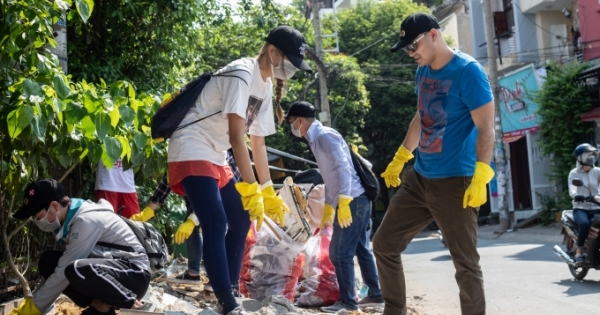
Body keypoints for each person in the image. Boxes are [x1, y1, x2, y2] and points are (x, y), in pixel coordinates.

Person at [166, 26, 312, 315]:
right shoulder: (242, 73)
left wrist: (267, 191)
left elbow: (257, 143)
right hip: (192, 144)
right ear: (272, 52)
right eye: (289, 61)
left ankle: (229, 286)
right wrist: (250, 188)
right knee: (216, 223)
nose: (291, 69)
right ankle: (227, 301)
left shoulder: (266, 86)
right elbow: (237, 138)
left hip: (216, 154)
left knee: (241, 216)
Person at [372, 12, 495, 315]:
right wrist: (402, 157)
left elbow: (486, 128)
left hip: (456, 181)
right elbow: (421, 116)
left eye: (413, 46)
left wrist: (481, 175)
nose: (411, 53)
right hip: (420, 177)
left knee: (465, 264)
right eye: (406, 50)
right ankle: (394, 310)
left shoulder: (468, 72)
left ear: (433, 34)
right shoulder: (423, 72)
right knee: (384, 245)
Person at [284, 101, 384, 313]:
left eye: (292, 122)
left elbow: (343, 168)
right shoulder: (316, 140)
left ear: (300, 121)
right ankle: (375, 294)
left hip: (353, 200)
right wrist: (330, 207)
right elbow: (330, 178)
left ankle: (348, 302)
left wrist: (345, 201)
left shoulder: (325, 136)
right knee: (360, 248)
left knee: (339, 253)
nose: (293, 127)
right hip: (353, 200)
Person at [10, 179, 151, 315]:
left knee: (75, 268)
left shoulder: (85, 221)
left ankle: (134, 305)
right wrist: (32, 302)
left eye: (36, 215)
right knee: (48, 262)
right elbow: (55, 272)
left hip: (135, 275)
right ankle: (100, 307)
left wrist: (31, 309)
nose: (35, 220)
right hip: (110, 272)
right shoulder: (67, 224)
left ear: (54, 206)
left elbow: (62, 272)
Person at [131, 150, 243, 295]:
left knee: (217, 228)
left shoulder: (214, 155)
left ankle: (220, 281)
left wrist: (193, 220)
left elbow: (216, 193)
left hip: (226, 188)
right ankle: (194, 273)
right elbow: (165, 184)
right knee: (201, 226)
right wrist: (148, 211)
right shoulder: (180, 156)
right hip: (202, 185)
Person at [568, 143, 600, 262]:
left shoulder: (597, 171)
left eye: (593, 154)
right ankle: (579, 250)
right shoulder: (574, 173)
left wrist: (598, 196)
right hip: (581, 207)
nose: (592, 157)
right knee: (585, 224)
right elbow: (572, 187)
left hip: (597, 206)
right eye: (589, 154)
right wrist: (576, 195)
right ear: (581, 157)